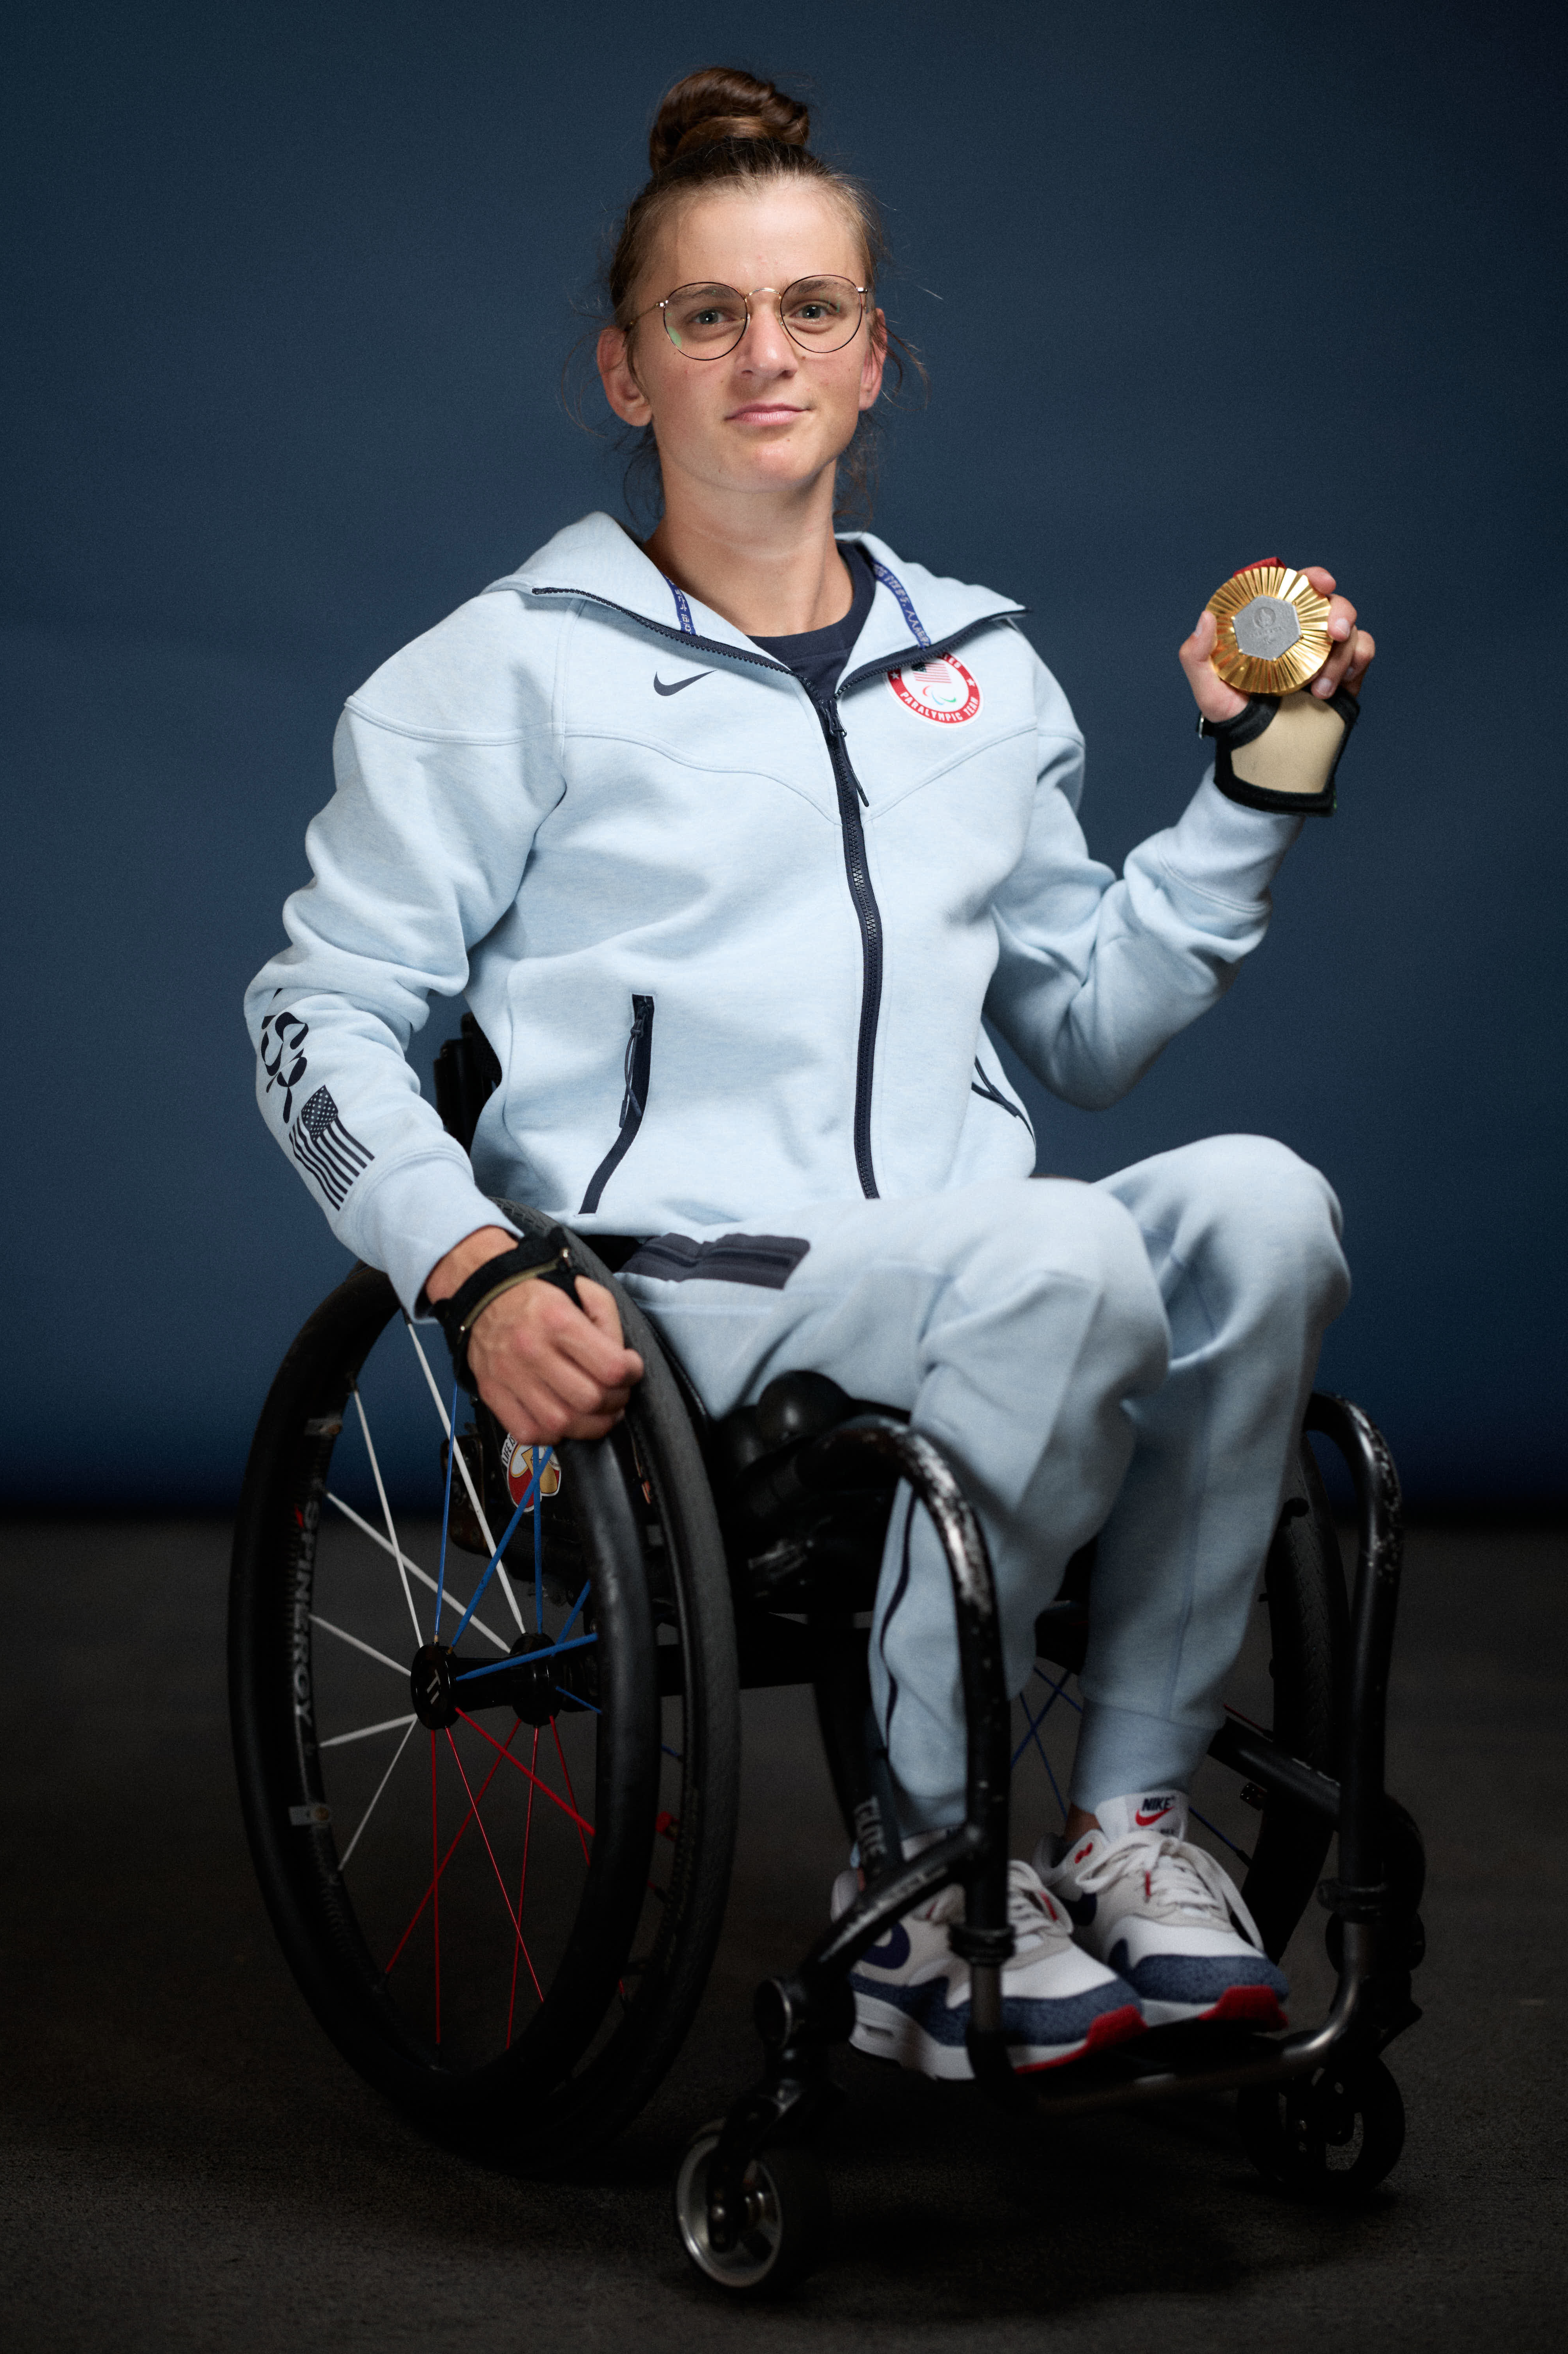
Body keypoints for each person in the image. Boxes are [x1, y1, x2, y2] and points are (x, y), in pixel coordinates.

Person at [246, 66, 1374, 2081]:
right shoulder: (501, 672)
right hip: (684, 1302)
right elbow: (311, 1018)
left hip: (985, 1256)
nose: (764, 354)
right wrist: (474, 1271)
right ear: (627, 369)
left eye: (814, 311)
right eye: (708, 313)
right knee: (1058, 1262)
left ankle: (1122, 1822)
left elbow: (1085, 1028)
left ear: (873, 358)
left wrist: (1257, 781)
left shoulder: (982, 671)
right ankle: (921, 1878)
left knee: (1264, 1202)